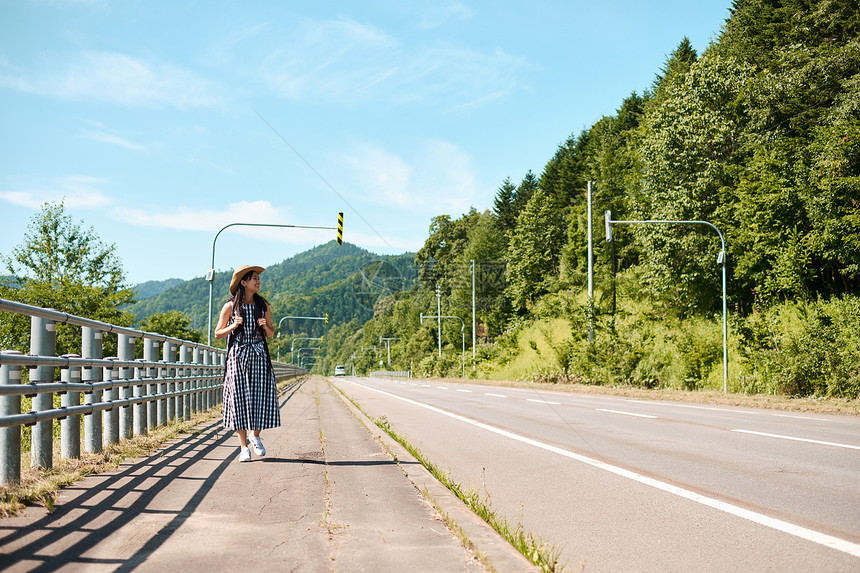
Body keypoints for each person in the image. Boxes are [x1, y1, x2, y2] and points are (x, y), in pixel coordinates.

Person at [215, 265, 280, 462]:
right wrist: (233, 325)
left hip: (259, 355)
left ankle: (255, 436)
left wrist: (265, 326)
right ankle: (243, 448)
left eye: (259, 278)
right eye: (254, 278)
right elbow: (217, 334)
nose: (258, 281)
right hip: (238, 356)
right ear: (243, 282)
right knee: (239, 399)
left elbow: (270, 334)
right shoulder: (230, 307)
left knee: (260, 396)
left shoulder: (263, 306)